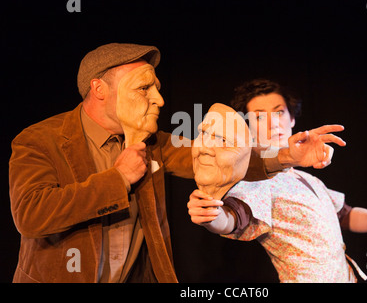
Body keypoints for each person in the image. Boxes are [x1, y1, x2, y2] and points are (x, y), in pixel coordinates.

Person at [9, 44, 347, 283]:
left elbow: (225, 157)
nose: (159, 99)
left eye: (157, 87)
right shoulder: (40, 140)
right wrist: (118, 179)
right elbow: (31, 214)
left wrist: (287, 156)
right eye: (144, 88)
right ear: (99, 89)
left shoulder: (153, 142)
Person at [188, 79, 367, 282]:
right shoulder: (253, 183)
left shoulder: (308, 178)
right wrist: (212, 216)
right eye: (259, 116)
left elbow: (343, 214)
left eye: (279, 112)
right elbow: (234, 217)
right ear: (247, 127)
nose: (273, 123)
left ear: (292, 118)